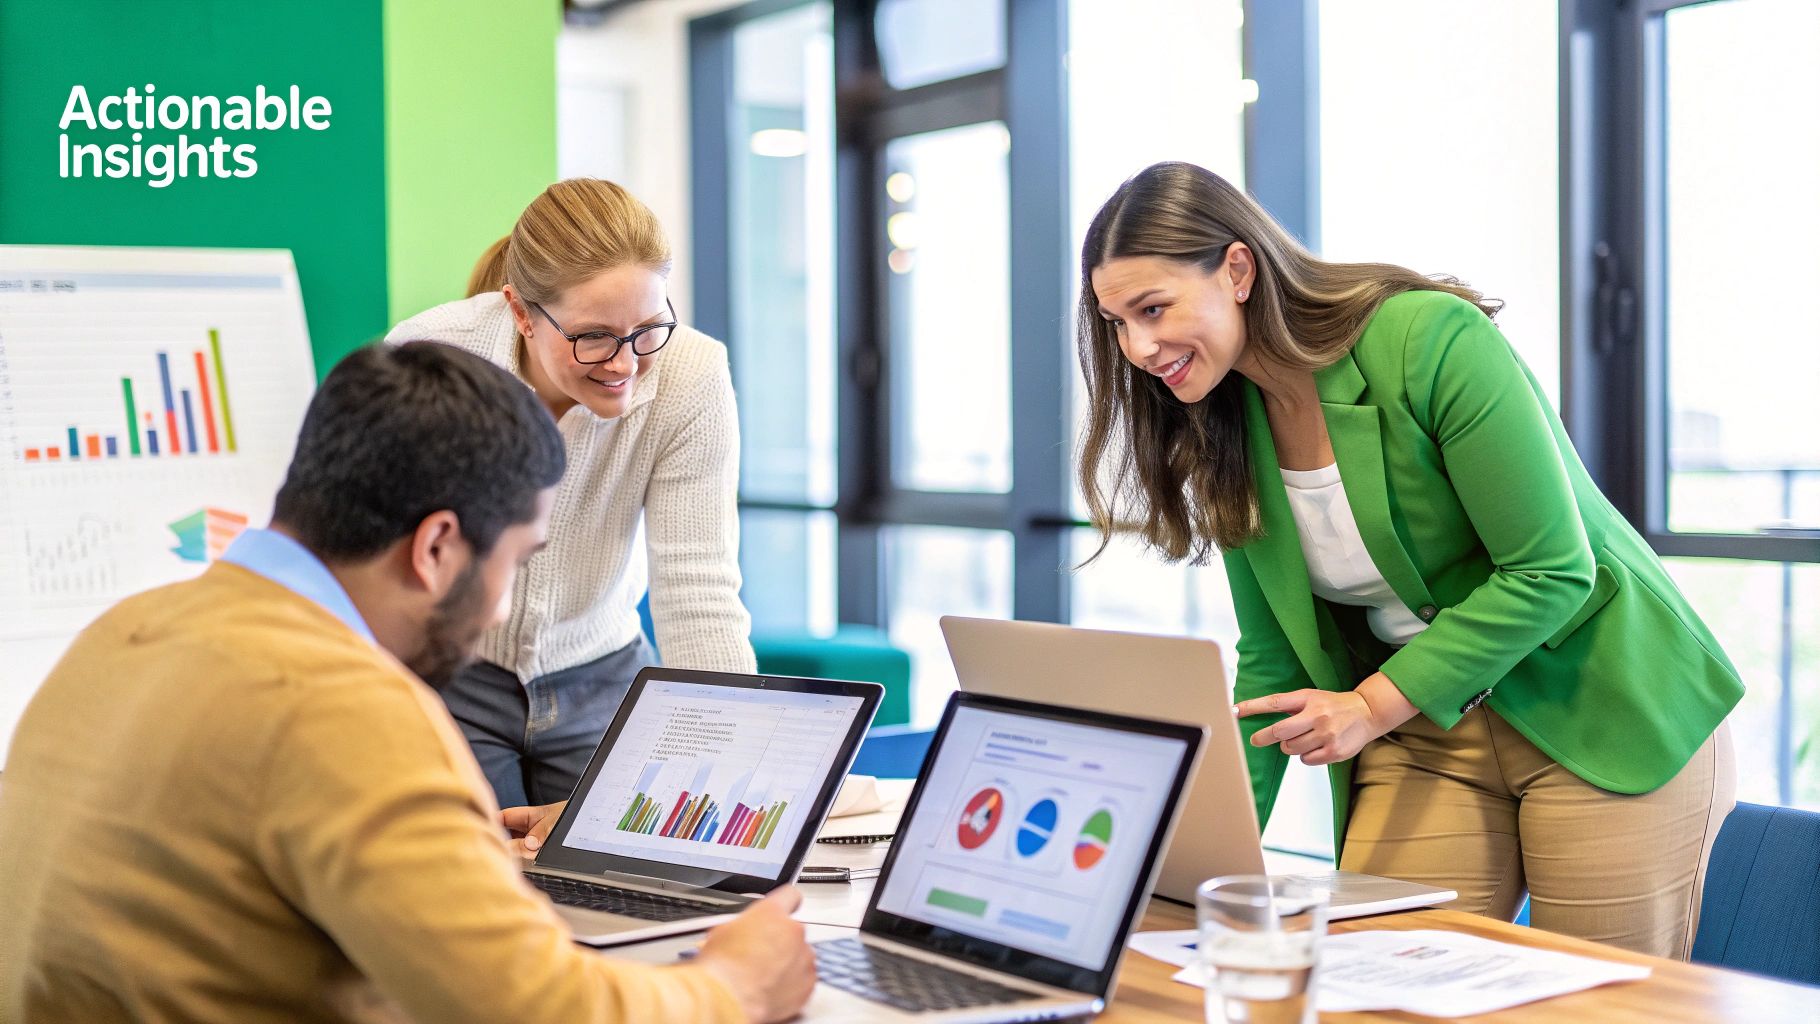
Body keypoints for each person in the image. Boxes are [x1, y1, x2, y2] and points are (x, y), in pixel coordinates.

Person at [0, 342, 813, 1024]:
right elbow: (541, 1014)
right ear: (436, 549)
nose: (502, 601)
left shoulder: (123, 633)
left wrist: (448, 860)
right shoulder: (344, 705)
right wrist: (734, 983)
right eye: (517, 561)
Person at [1075, 161, 1741, 959]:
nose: (1139, 346)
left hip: (1601, 702)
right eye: (1117, 322)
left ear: (1239, 269)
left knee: (1594, 1008)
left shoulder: (1427, 340)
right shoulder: (1222, 425)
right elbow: (1275, 657)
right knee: (1368, 983)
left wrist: (1367, 708)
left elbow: (1553, 571)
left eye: (1153, 308)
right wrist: (1199, 859)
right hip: (1424, 727)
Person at [386, 177, 754, 813]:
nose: (625, 363)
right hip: (451, 673)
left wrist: (726, 758)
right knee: (477, 880)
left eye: (648, 327)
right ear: (521, 312)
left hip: (603, 672)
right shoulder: (436, 357)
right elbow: (389, 556)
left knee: (624, 884)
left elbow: (699, 585)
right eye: (594, 336)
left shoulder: (691, 375)